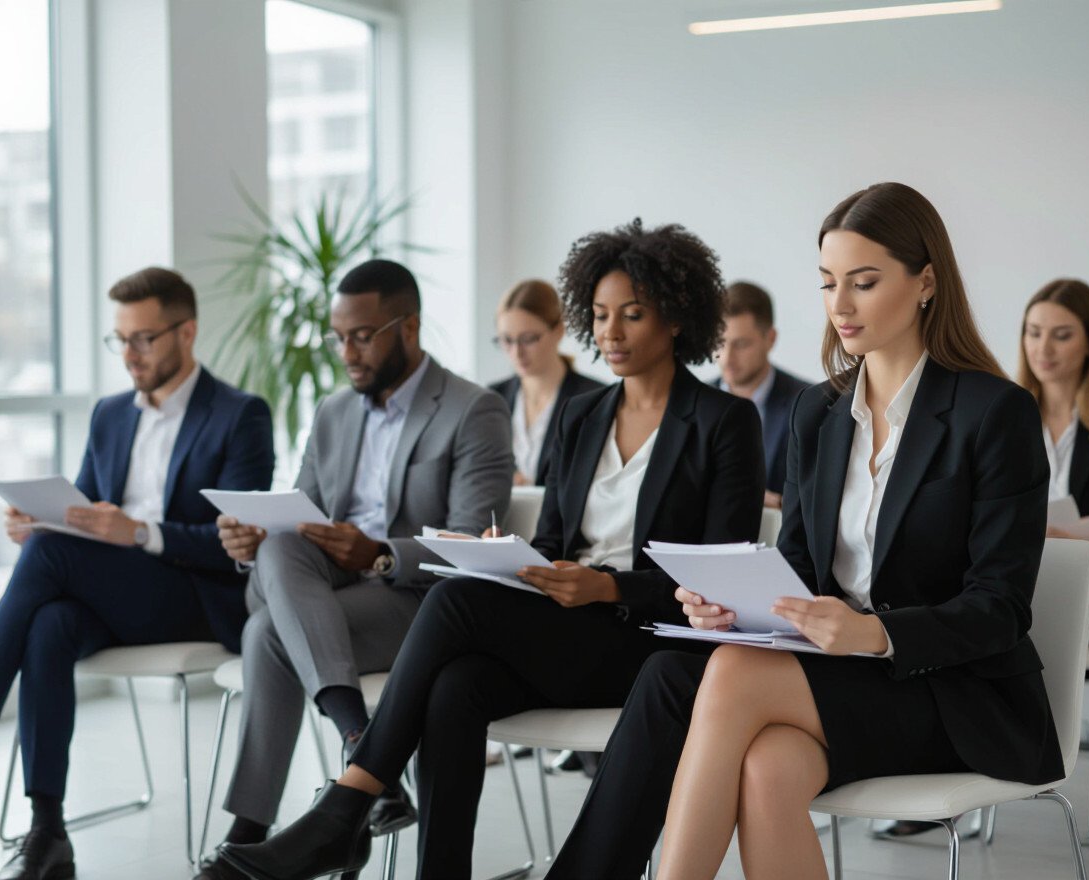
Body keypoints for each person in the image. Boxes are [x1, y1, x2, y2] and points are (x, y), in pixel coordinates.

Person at [217, 218, 766, 880]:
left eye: (633, 315)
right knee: (455, 687)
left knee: (454, 603)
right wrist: (512, 557)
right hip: (572, 625)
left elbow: (719, 576)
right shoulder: (583, 416)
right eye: (600, 316)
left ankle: (348, 803)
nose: (612, 333)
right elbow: (556, 542)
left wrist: (610, 586)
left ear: (676, 318)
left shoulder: (723, 422)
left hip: (651, 640)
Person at [544, 182, 1063, 880]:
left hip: (953, 692)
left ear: (925, 281)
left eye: (863, 282)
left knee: (727, 674)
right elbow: (794, 571)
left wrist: (872, 633)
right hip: (841, 678)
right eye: (827, 283)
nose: (839, 305)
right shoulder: (818, 415)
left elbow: (1000, 608)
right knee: (761, 763)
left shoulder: (993, 412)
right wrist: (736, 609)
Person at [0, 267, 275, 880]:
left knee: (51, 559)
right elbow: (81, 514)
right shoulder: (110, 414)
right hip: (117, 596)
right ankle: (48, 831)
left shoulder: (239, 414)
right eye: (120, 339)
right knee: (50, 623)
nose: (129, 354)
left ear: (187, 332)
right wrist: (39, 522)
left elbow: (235, 544)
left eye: (143, 338)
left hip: (195, 599)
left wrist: (140, 533)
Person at [195, 259, 512, 880]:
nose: (347, 353)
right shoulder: (334, 412)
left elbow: (473, 547)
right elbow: (300, 518)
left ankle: (253, 828)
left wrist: (380, 553)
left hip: (422, 606)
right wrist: (251, 539)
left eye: (362, 337)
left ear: (408, 327)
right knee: (278, 549)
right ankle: (366, 758)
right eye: (338, 337)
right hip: (328, 598)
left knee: (266, 633)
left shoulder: (474, 410)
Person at [1020, 278, 1089, 642]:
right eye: (1034, 333)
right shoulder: (1003, 419)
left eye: (1062, 335)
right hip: (1019, 586)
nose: (1044, 349)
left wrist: (1068, 536)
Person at [489, 279, 604, 485]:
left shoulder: (595, 399)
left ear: (559, 330)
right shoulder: (492, 397)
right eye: (507, 340)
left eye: (528, 339)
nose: (516, 352)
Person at [714, 281, 810, 508]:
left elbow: (821, 499)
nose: (726, 358)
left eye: (741, 344)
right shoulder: (692, 403)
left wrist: (780, 504)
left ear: (770, 339)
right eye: (720, 342)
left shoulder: (809, 403)